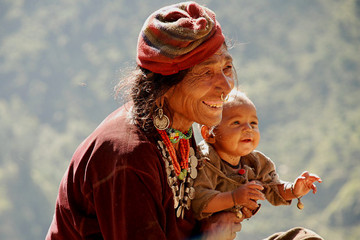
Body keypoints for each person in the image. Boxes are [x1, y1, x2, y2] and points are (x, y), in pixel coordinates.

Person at [46, 2, 241, 240]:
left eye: (227, 67)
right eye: (207, 73)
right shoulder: (129, 156)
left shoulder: (175, 130)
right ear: (166, 83)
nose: (227, 86)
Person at [192, 89, 324, 239]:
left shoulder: (255, 162)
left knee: (307, 237)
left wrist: (294, 189)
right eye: (236, 122)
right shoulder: (203, 161)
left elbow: (274, 188)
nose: (248, 128)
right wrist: (234, 197)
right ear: (209, 133)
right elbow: (199, 201)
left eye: (253, 123)